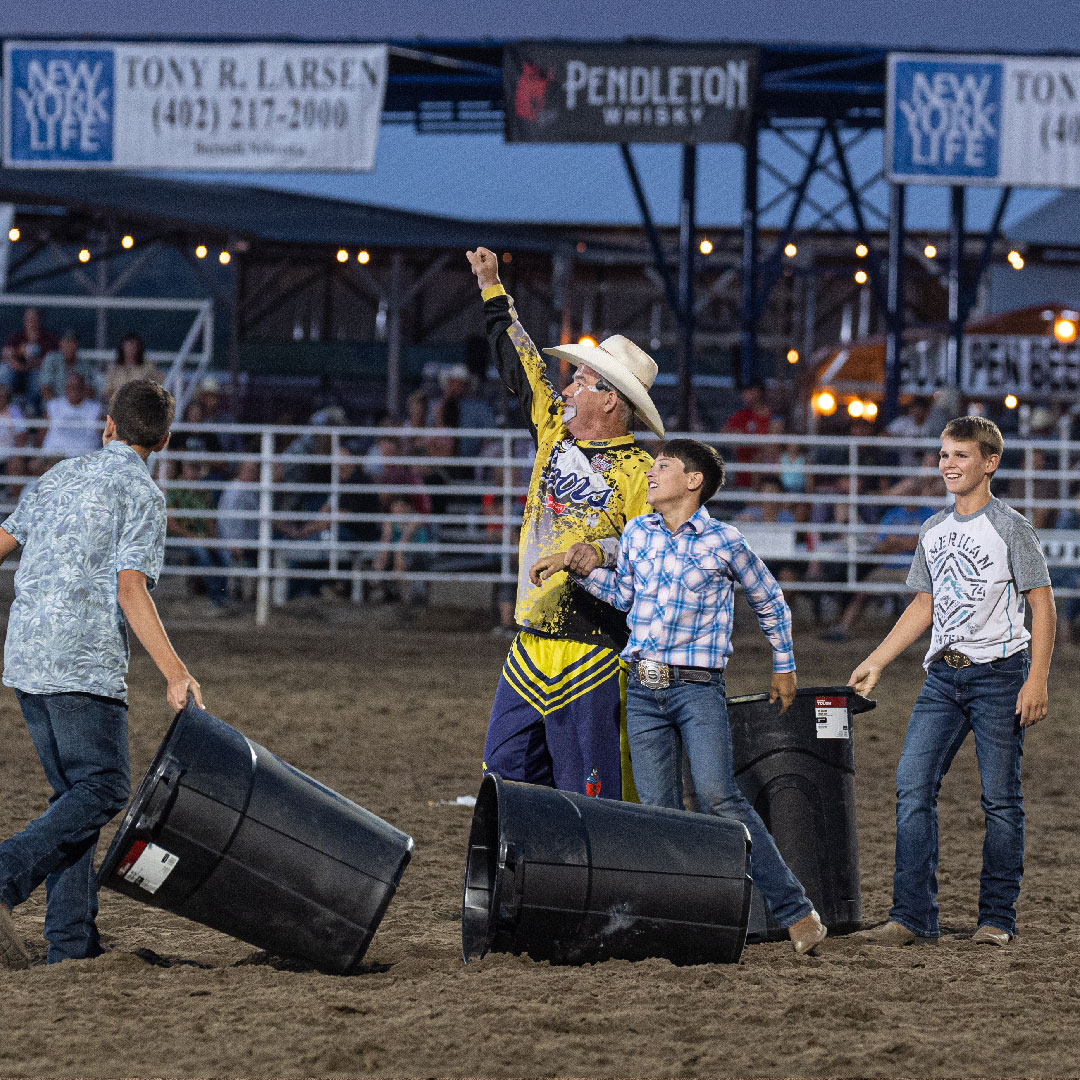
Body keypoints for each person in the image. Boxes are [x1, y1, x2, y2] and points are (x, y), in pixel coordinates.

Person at [529, 439, 826, 955]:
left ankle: (795, 911)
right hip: (644, 688)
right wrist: (577, 570)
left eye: (662, 466)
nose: (651, 473)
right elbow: (625, 595)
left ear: (693, 481)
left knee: (717, 795)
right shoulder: (639, 532)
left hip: (697, 687)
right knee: (660, 811)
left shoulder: (725, 541)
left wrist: (784, 664)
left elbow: (770, 599)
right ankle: (682, 922)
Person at [0, 379, 204, 970]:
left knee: (76, 798)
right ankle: (6, 875)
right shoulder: (143, 495)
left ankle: (70, 945)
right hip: (82, 663)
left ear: (108, 425)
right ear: (164, 441)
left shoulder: (58, 475)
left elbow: (3, 542)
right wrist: (174, 672)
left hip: (27, 659)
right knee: (105, 788)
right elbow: (130, 589)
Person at [848, 415, 1055, 948]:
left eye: (961, 455)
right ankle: (912, 916)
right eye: (944, 455)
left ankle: (997, 918)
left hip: (1000, 675)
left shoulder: (1011, 527)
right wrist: (878, 660)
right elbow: (925, 603)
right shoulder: (933, 530)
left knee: (1000, 799)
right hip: (943, 676)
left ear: (990, 463)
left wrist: (1036, 680)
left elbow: (1043, 604)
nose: (948, 464)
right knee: (912, 787)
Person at [467, 245, 659, 800]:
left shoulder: (642, 474)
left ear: (610, 401)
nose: (568, 388)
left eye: (580, 381)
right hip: (532, 640)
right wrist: (492, 289)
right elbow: (520, 362)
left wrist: (601, 551)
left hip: (596, 647)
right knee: (506, 775)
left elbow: (652, 553)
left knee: (589, 791)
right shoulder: (554, 430)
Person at [40, 374, 104, 461]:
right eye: (71, 386)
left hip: (85, 457)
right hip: (56, 455)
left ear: (84, 388)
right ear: (66, 388)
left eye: (78, 386)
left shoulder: (96, 408)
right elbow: (42, 432)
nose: (74, 389)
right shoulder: (54, 405)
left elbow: (105, 436)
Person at [102, 332, 161, 406]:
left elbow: (159, 386)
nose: (131, 349)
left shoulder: (148, 367)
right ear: (122, 347)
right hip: (118, 405)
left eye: (134, 346)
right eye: (128, 346)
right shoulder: (114, 368)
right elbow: (107, 390)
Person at [40, 330, 97, 404]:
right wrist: (56, 406)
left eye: (73, 343)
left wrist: (76, 406)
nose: (69, 346)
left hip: (78, 406)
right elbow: (45, 389)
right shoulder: (51, 359)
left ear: (77, 345)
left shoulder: (84, 365)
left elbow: (90, 390)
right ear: (60, 344)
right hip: (54, 405)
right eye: (67, 342)